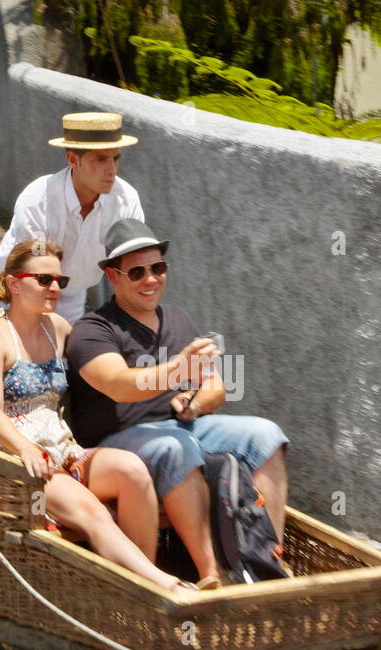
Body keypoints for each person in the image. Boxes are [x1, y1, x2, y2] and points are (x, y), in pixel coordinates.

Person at [66, 220, 290, 589]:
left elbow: (215, 385)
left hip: (182, 426)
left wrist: (196, 404)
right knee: (176, 447)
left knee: (265, 435)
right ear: (112, 276)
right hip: (118, 440)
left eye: (158, 268)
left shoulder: (179, 318)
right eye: (137, 272)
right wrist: (176, 371)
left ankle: (268, 561)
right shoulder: (93, 329)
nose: (150, 279)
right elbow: (120, 385)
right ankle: (212, 574)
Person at [0, 239, 194, 592]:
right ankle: (164, 587)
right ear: (13, 283)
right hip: (15, 459)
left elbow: (103, 372)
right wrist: (26, 450)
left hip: (63, 448)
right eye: (43, 280)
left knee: (132, 470)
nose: (55, 288)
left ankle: (139, 587)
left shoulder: (56, 328)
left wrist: (161, 382)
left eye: (60, 281)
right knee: (95, 513)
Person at [0, 112, 142, 325]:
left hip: (73, 296)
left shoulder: (127, 199)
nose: (112, 170)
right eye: (101, 159)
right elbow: (33, 274)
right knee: (22, 356)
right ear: (72, 159)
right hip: (18, 293)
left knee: (71, 354)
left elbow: (132, 265)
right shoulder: (37, 200)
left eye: (116, 158)